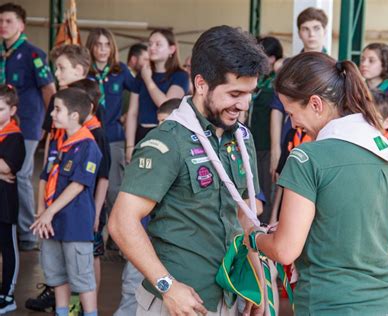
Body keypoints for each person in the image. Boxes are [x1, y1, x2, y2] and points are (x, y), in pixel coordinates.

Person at [108, 25, 268, 315]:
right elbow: (121, 222)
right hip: (178, 302)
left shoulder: (242, 138)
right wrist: (167, 286)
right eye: (234, 93)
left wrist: (257, 283)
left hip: (230, 297)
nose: (243, 105)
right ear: (201, 83)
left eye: (249, 94)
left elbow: (245, 216)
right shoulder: (168, 141)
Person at [249, 52, 388, 315]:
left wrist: (255, 237)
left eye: (291, 113)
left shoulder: (307, 156)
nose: (293, 123)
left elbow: (285, 250)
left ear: (315, 104)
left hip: (331, 304)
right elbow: (383, 243)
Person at [30, 87, 102, 316]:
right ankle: (62, 313)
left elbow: (78, 184)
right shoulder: (59, 142)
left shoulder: (88, 145)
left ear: (74, 115)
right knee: (57, 277)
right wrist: (42, 212)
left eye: (57, 109)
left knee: (82, 279)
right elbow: (45, 177)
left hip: (75, 225)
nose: (51, 113)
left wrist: (49, 213)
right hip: (51, 225)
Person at [113, 97, 180, 316]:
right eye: (159, 121)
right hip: (142, 239)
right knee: (131, 285)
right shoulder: (151, 150)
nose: (162, 127)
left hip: (171, 245)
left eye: (167, 121)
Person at [0, 2, 56, 250]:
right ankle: (9, 223)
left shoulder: (33, 54)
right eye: (0, 21)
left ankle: (26, 233)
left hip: (28, 124)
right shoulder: (3, 54)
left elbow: (49, 90)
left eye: (9, 21)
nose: (3, 26)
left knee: (21, 174)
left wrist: (49, 125)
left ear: (21, 25)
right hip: (3, 123)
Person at [85, 28, 135, 241]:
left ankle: (117, 238)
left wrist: (128, 114)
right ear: (91, 47)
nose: (103, 49)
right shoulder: (85, 71)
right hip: (89, 136)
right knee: (92, 185)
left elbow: (138, 92)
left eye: (107, 44)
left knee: (114, 189)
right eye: (98, 44)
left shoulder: (120, 70)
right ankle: (94, 233)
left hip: (114, 136)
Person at [269, 7, 328, 182]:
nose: (311, 34)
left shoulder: (334, 67)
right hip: (290, 139)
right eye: (306, 29)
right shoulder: (288, 67)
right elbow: (276, 108)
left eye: (316, 28)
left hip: (322, 140)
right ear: (299, 33)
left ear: (324, 31)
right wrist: (275, 148)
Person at [69, 78, 111, 294]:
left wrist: (95, 212)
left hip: (91, 206)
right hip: (74, 206)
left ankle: (89, 302)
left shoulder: (98, 135)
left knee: (92, 253)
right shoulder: (73, 133)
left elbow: (103, 177)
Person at [125, 28, 189, 160]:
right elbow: (132, 113)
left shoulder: (180, 75)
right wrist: (130, 146)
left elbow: (166, 105)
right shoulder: (141, 75)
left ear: (172, 49)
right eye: (150, 44)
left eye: (158, 44)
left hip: (167, 135)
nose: (152, 48)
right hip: (141, 133)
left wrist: (148, 80)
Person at [248, 36, 283, 223]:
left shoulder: (276, 83)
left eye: (268, 56)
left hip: (268, 145)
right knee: (254, 188)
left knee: (268, 189)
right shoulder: (256, 81)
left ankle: (265, 227)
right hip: (252, 142)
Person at [0, 84, 26, 314]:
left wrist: (2, 169)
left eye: (0, 109)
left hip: (5, 204)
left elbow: (7, 166)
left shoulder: (14, 137)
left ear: (12, 110)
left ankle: (8, 294)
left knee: (8, 249)